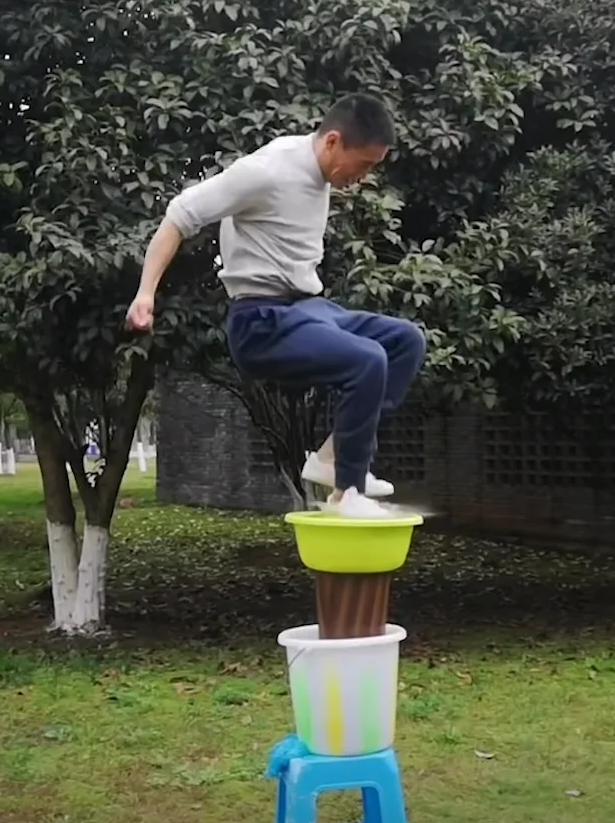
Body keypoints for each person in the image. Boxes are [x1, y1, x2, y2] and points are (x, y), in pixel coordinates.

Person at [125, 93, 425, 519]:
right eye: (364, 165)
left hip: (306, 308)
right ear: (333, 141)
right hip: (261, 322)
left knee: (404, 342)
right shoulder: (266, 170)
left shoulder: (319, 173)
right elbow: (180, 214)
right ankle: (349, 493)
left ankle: (333, 457)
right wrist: (145, 293)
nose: (363, 177)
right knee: (368, 360)